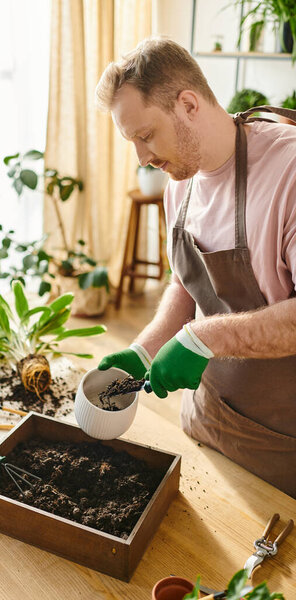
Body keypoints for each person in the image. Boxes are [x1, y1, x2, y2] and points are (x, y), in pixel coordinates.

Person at [95, 36, 296, 498]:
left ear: (188, 104)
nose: (142, 158)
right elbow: (186, 284)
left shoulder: (288, 170)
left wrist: (206, 337)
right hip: (205, 422)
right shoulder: (179, 180)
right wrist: (146, 348)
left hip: (282, 451)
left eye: (145, 136)